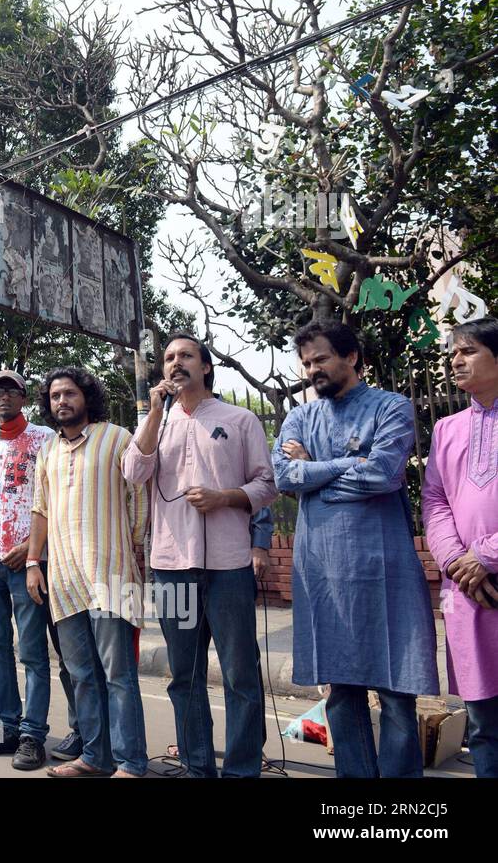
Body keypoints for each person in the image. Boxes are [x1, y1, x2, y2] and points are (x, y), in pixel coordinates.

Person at [274, 321, 438, 777]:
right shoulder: (300, 417)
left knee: (396, 688)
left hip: (383, 568)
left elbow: (383, 474)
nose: (312, 370)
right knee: (341, 693)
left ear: (351, 357)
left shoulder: (393, 406)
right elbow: (284, 477)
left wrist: (317, 473)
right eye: (306, 363)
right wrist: (348, 464)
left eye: (321, 359)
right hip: (322, 570)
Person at [124, 333, 277, 778]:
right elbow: (134, 471)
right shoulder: (157, 423)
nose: (175, 363)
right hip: (171, 568)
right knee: (184, 676)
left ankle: (243, 769)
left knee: (240, 675)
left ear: (205, 367)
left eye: (186, 355)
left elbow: (267, 484)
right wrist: (154, 412)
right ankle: (196, 767)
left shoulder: (240, 418)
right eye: (169, 358)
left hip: (229, 567)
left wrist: (226, 497)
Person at [29, 368, 149, 778]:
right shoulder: (48, 451)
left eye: (70, 393)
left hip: (111, 575)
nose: (61, 401)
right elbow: (39, 509)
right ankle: (96, 757)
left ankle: (132, 762)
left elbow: (139, 496)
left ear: (87, 396)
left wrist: (133, 546)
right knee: (81, 675)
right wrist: (32, 562)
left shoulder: (116, 436)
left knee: (118, 675)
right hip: (64, 580)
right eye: (55, 395)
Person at [0, 370, 64, 771]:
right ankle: (5, 726)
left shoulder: (44, 438)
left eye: (12, 391)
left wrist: (33, 548)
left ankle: (33, 736)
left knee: (34, 652)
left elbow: (56, 500)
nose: (4, 397)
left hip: (27, 562)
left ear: (24, 399)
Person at [422, 317, 498, 778]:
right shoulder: (447, 429)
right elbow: (434, 499)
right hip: (467, 589)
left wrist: (485, 555)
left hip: (481, 569)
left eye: (467, 350)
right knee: (482, 722)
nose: (455, 359)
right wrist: (455, 559)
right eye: (454, 352)